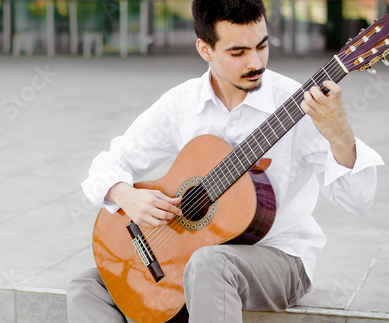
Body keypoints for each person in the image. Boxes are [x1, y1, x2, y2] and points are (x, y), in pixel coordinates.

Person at [66, 0, 384, 322]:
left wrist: (340, 135)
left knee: (209, 263)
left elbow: (357, 202)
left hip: (281, 258)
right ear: (205, 50)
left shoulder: (298, 105)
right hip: (192, 257)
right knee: (86, 287)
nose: (256, 61)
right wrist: (126, 195)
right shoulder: (182, 102)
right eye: (238, 52)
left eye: (262, 46)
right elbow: (109, 162)